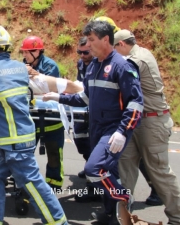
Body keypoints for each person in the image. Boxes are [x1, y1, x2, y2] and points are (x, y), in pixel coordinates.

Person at [0, 25, 67, 225]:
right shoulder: (21, 68)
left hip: (14, 143)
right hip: (9, 141)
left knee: (35, 187)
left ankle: (59, 223)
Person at [43, 20, 143, 225]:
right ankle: (112, 215)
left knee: (94, 169)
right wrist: (58, 97)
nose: (87, 45)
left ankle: (122, 196)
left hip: (114, 129)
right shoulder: (94, 66)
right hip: (96, 127)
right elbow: (85, 99)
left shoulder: (122, 66)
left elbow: (136, 103)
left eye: (91, 40)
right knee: (108, 171)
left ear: (106, 40)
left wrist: (123, 132)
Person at [114, 29, 180, 224]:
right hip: (136, 119)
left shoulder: (137, 59)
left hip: (152, 121)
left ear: (122, 45)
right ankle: (123, 216)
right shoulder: (139, 54)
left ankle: (177, 217)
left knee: (158, 171)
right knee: (125, 166)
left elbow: (120, 73)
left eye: (115, 49)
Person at [19, 35, 65, 191]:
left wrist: (34, 74)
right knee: (26, 153)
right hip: (32, 119)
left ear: (37, 51)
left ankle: (54, 185)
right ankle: (25, 184)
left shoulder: (51, 66)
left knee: (54, 153)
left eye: (27, 52)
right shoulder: (22, 66)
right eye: (23, 52)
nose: (24, 56)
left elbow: (49, 86)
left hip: (52, 120)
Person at [72, 36, 102, 203]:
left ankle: (95, 186)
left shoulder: (98, 64)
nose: (83, 55)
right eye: (80, 52)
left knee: (95, 143)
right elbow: (80, 83)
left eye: (86, 52)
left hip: (97, 110)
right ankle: (89, 164)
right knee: (80, 138)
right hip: (83, 106)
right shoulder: (80, 63)